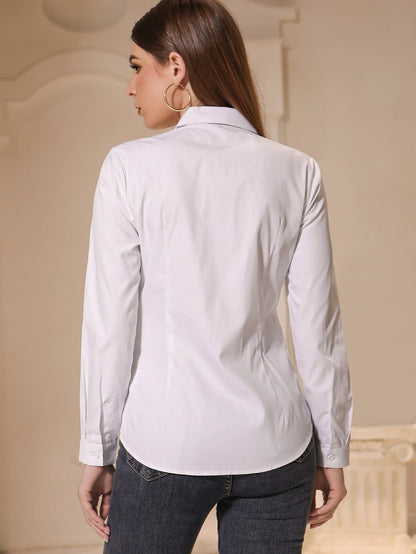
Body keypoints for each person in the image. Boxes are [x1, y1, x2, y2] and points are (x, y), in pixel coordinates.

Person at [77, 0, 353, 552]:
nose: (131, 87)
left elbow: (110, 325)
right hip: (277, 445)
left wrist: (97, 449)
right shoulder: (296, 170)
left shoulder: (128, 167)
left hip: (164, 444)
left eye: (137, 67)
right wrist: (333, 450)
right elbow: (318, 329)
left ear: (176, 67)